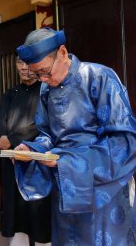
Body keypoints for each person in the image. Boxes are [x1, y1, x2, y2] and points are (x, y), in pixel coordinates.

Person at [13, 28, 136, 245]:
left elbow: (125, 143)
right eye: (37, 74)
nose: (43, 79)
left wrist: (68, 161)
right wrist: (33, 151)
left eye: (45, 71)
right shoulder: (45, 90)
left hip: (101, 190)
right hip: (66, 189)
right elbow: (47, 136)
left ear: (62, 52)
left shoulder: (99, 77)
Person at [0, 56, 51, 246]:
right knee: (16, 206)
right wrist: (6, 140)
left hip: (35, 158)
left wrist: (11, 139)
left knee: (37, 207)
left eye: (28, 63)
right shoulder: (10, 93)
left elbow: (40, 125)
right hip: (12, 158)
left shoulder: (45, 91)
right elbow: (1, 122)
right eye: (20, 63)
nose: (23, 67)